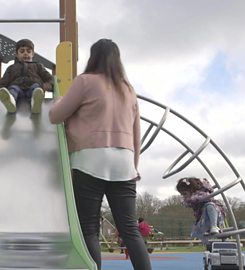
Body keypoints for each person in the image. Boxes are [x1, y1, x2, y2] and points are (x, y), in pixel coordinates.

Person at [49, 39, 151, 270]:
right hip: (124, 163)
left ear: (93, 57)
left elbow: (56, 116)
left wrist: (58, 101)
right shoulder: (128, 89)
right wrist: (134, 166)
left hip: (89, 160)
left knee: (88, 228)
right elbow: (136, 134)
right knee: (130, 230)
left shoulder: (85, 82)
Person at [0, 38, 53, 114]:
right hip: (17, 88)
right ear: (17, 54)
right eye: (22, 51)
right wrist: (1, 90)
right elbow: (4, 81)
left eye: (28, 51)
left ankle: (36, 103)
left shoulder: (37, 66)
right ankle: (10, 102)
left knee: (36, 88)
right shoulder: (11, 68)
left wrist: (48, 85)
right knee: (13, 89)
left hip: (32, 87)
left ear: (33, 54)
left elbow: (49, 78)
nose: (25, 53)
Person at [176, 177, 226, 242]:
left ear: (192, 190)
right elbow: (187, 204)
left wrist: (192, 199)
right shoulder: (190, 200)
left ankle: (214, 226)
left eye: (185, 194)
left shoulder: (202, 194)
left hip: (216, 215)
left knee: (209, 205)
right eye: (182, 195)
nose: (184, 196)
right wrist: (188, 200)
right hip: (204, 218)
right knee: (199, 230)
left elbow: (206, 197)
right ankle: (207, 234)